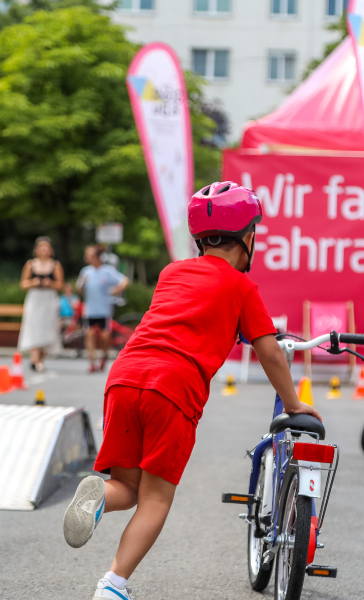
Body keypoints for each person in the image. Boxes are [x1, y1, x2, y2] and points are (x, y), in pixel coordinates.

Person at [62, 182, 322, 600]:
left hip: (125, 375)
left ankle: (97, 500)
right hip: (173, 386)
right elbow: (271, 353)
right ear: (248, 237)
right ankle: (112, 586)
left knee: (126, 490)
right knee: (154, 500)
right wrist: (294, 404)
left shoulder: (171, 272)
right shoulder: (242, 288)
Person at [76, 246, 129, 373]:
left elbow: (124, 280)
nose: (87, 257)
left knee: (105, 336)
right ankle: (92, 362)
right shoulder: (85, 271)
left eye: (89, 255)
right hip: (90, 310)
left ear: (97, 257)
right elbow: (79, 289)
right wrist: (82, 284)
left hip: (104, 309)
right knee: (90, 335)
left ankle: (104, 356)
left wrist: (116, 290)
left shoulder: (107, 271)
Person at [18, 237, 64, 371]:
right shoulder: (30, 264)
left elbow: (60, 284)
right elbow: (23, 284)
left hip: (49, 300)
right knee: (34, 327)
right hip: (35, 299)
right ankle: (35, 360)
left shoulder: (55, 265)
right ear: (36, 250)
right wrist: (33, 283)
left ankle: (40, 359)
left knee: (48, 328)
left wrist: (50, 284)